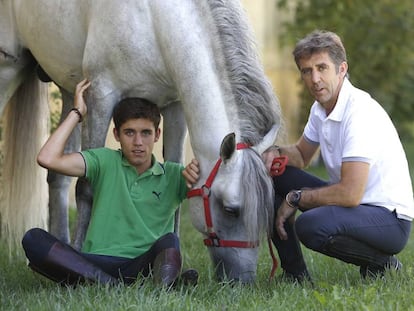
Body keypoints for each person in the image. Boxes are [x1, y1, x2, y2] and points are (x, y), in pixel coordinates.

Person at [261, 30, 414, 281]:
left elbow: (349, 193)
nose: (315, 79)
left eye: (322, 68)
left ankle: (383, 264)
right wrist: (272, 152)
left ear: (341, 69)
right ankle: (295, 275)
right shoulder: (320, 108)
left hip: (388, 220)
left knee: (310, 225)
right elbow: (301, 155)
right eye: (306, 71)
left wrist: (296, 198)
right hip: (357, 207)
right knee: (276, 173)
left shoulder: (358, 112)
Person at [22, 79, 198, 287]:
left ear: (157, 135)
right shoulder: (104, 160)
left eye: (146, 133)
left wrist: (199, 171)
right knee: (33, 239)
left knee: (170, 241)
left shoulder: (174, 173)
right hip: (95, 261)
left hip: (143, 264)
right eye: (129, 133)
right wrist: (77, 112)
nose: (138, 142)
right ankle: (114, 283)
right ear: (117, 134)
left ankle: (146, 284)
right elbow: (48, 158)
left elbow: (217, 194)